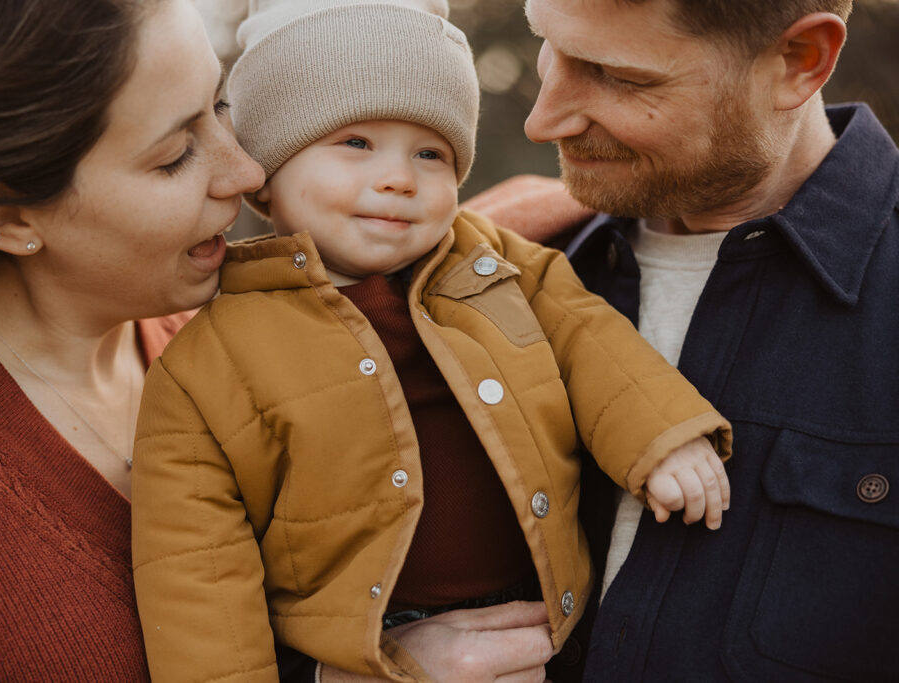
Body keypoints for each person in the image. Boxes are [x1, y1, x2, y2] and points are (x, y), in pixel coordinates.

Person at [129, 2, 734, 681]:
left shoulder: (501, 265)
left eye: (431, 153)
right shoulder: (206, 364)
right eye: (355, 143)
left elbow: (592, 343)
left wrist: (662, 433)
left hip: (545, 626)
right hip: (369, 650)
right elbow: (197, 572)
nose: (398, 177)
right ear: (266, 171)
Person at [470, 0, 899, 679]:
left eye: (617, 75)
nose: (540, 119)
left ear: (801, 60)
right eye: (547, 45)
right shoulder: (496, 264)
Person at [0, 0, 265, 678]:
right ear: (7, 214)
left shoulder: (237, 349)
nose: (245, 173)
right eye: (175, 157)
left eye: (220, 103)